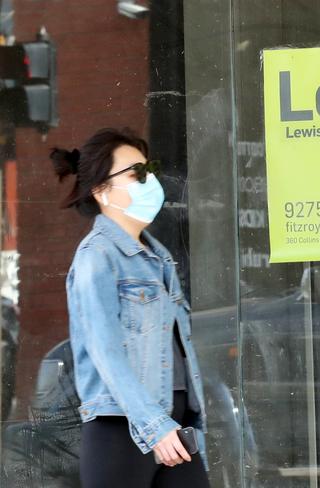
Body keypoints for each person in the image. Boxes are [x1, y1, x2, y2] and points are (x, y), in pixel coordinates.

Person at [50, 127, 210, 488]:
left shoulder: (157, 256)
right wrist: (154, 426)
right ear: (101, 189)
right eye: (136, 174)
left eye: (148, 170)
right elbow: (105, 352)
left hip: (173, 426)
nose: (149, 181)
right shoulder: (98, 256)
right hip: (121, 430)